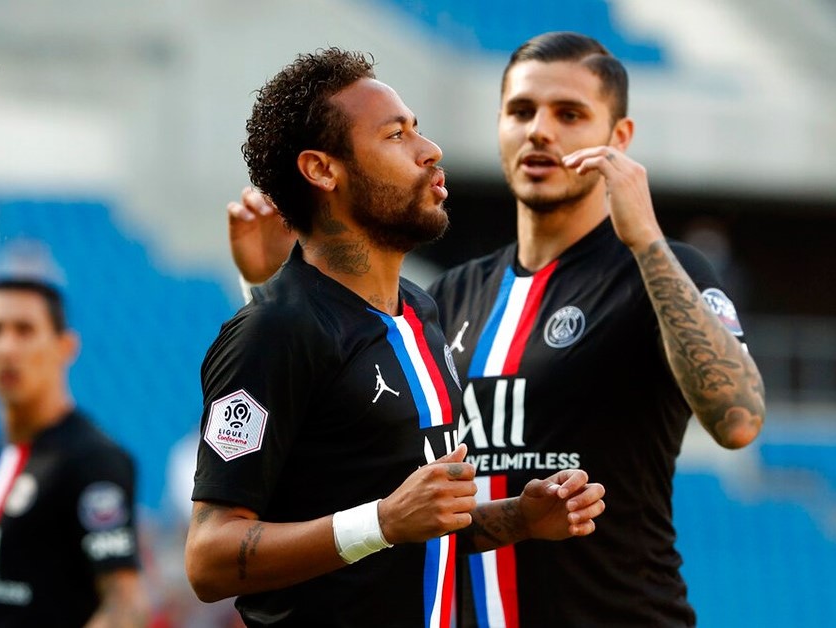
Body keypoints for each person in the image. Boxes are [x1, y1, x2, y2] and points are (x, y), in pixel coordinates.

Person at [227, 32, 766, 627]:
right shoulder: (445, 297)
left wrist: (646, 240)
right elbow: (336, 421)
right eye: (521, 111)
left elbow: (738, 420)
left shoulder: (659, 272)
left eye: (569, 114)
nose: (540, 131)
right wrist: (269, 281)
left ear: (618, 138)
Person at [184, 47, 606, 628]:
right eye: (395, 135)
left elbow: (415, 523)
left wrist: (519, 517)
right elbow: (208, 558)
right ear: (322, 170)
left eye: (417, 129)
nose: (429, 150)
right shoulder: (274, 330)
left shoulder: (421, 311)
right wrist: (382, 521)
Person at [0, 277, 150, 627]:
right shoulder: (3, 456)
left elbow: (126, 608)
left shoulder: (91, 459)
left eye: (25, 330)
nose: (7, 347)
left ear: (65, 347)